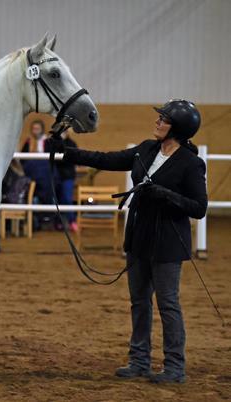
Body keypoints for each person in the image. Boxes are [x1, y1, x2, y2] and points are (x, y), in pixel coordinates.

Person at [58, 100, 207, 384]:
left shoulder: (190, 164)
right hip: (139, 238)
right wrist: (67, 153)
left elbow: (199, 207)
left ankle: (175, 366)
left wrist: (165, 195)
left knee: (168, 304)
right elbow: (106, 159)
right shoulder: (146, 149)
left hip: (167, 244)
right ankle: (139, 361)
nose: (157, 122)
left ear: (178, 128)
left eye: (163, 119)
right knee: (139, 302)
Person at [55, 129, 78, 231]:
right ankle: (59, 222)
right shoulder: (53, 143)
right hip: (56, 176)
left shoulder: (72, 143)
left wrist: (62, 142)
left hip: (68, 176)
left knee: (68, 199)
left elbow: (69, 157)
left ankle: (72, 221)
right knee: (58, 200)